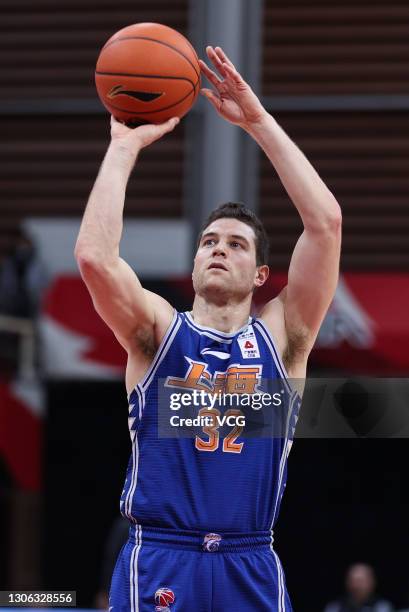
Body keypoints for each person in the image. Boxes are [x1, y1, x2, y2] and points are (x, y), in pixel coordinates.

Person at [75, 45, 342, 611]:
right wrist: (122, 148)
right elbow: (96, 260)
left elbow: (325, 224)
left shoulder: (283, 338)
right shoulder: (157, 333)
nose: (219, 249)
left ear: (262, 273)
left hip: (251, 558)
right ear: (194, 264)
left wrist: (260, 123)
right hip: (161, 557)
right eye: (209, 242)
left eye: (236, 244)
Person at [324, 563, 394, 612]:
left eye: (360, 581)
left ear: (372, 582)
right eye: (352, 581)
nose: (356, 585)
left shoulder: (383, 608)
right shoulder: (335, 608)